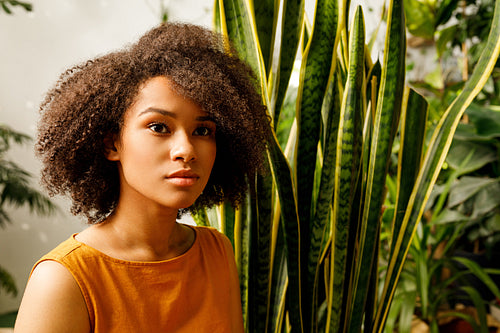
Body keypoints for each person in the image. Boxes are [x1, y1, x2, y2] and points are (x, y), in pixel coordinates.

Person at [14, 22, 271, 332]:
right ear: (112, 144)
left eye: (203, 131)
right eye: (159, 127)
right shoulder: (63, 279)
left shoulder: (216, 251)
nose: (186, 150)